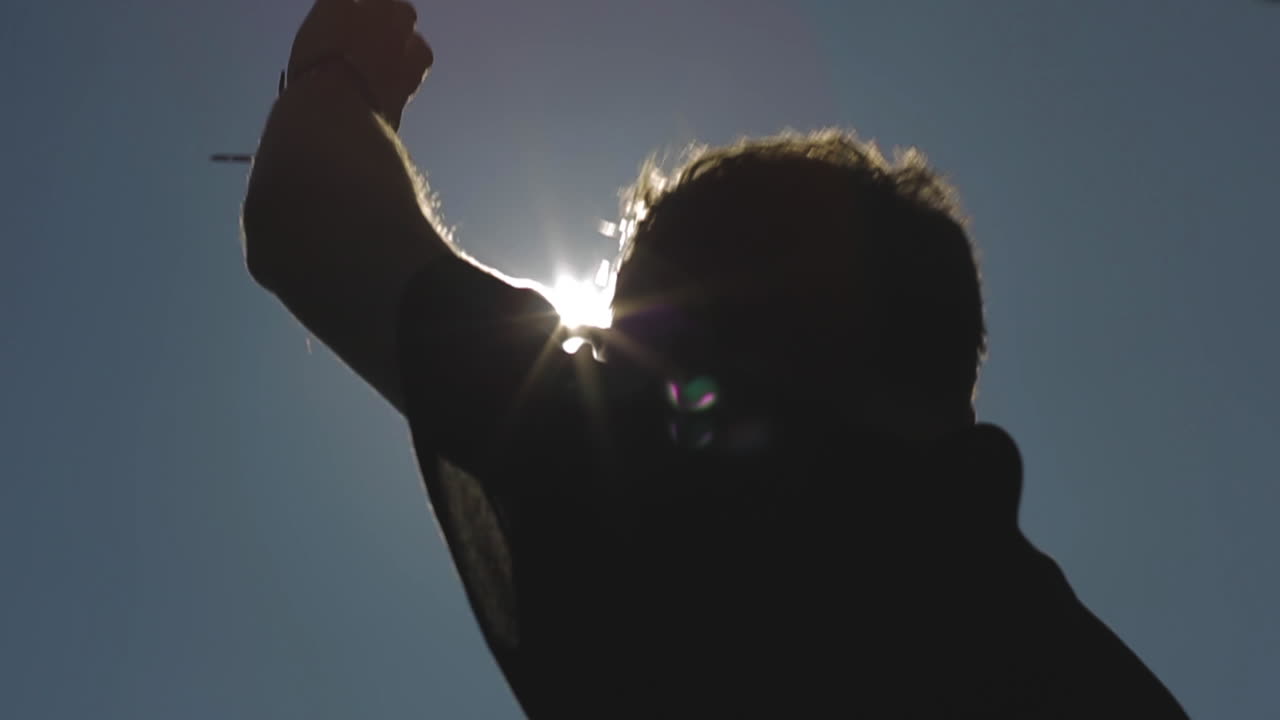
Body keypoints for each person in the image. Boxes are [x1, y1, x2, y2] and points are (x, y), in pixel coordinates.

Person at [241, 1, 1190, 716]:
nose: (615, 369)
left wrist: (340, 64)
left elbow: (306, 211)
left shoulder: (711, 519)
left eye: (636, 341)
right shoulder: (1082, 667)